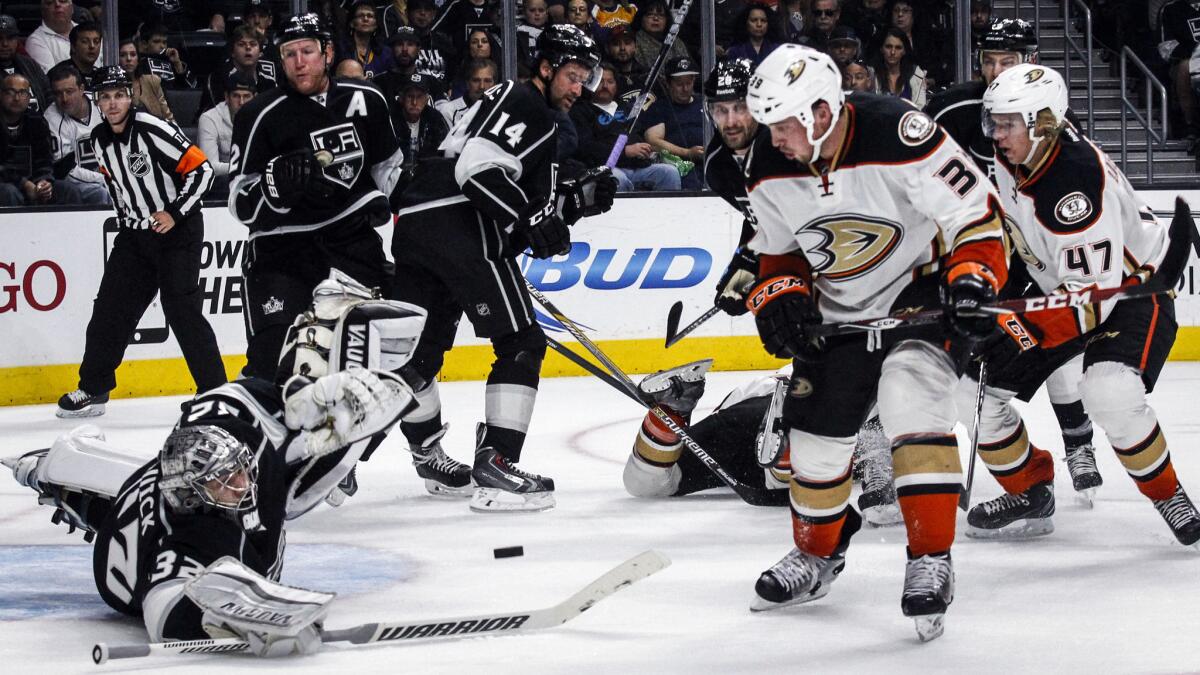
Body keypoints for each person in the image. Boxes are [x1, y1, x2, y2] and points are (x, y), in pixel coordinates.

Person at [742, 45, 1008, 640]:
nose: (774, 135)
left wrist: (971, 279)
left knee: (911, 406)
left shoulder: (900, 132)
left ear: (819, 111)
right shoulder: (769, 159)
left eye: (785, 123)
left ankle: (931, 558)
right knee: (812, 445)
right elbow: (779, 248)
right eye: (771, 124)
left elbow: (976, 217)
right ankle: (817, 556)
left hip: (923, 298)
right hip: (840, 313)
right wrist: (780, 295)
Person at [4, 277, 425, 651]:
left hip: (140, 500)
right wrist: (239, 620)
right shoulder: (195, 535)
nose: (241, 482)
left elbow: (205, 438)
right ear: (196, 494)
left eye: (238, 471)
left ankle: (45, 471)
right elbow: (166, 613)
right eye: (228, 480)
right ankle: (51, 474)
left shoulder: (202, 484)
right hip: (145, 520)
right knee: (101, 480)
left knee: (70, 470)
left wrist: (295, 405)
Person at [962, 63, 1200, 548]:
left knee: (1109, 391)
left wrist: (1009, 323)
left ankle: (1167, 493)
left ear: (1043, 123)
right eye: (995, 121)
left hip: (1131, 290)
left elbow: (1087, 306)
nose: (995, 133)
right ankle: (1030, 491)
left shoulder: (1073, 190)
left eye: (1007, 123)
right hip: (1065, 286)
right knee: (971, 393)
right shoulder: (1018, 151)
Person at [391, 25, 616, 513]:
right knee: (522, 342)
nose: (579, 89)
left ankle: (419, 454)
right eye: (573, 77)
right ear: (546, 67)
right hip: (463, 228)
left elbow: (528, 197)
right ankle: (496, 464)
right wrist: (533, 217)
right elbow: (477, 171)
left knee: (417, 357)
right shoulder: (526, 102)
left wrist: (579, 199)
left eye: (585, 80)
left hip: (418, 224)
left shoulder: (525, 111)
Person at [924, 19, 1102, 505]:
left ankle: (1078, 441)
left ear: (1032, 62)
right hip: (968, 255)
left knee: (1060, 355)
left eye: (1008, 62)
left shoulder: (1052, 120)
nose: (995, 71)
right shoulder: (952, 108)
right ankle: (934, 458)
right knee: (949, 361)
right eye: (988, 61)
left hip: (1031, 256)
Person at [57, 66, 225, 418]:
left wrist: (175, 213)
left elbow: (203, 170)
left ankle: (214, 393)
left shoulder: (152, 128)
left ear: (130, 96)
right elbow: (117, 185)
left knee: (181, 310)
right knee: (109, 311)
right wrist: (127, 222)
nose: (113, 102)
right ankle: (94, 387)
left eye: (119, 94)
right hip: (135, 237)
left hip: (178, 233)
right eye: (105, 97)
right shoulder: (99, 139)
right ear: (97, 102)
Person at [570, 62, 681, 192]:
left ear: (617, 85)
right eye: (600, 81)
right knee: (617, 180)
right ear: (590, 84)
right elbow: (586, 148)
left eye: (610, 81)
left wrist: (643, 150)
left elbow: (638, 136)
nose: (605, 86)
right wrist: (624, 151)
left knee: (669, 173)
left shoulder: (628, 108)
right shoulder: (580, 111)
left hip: (637, 167)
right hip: (605, 168)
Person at [43, 64, 111, 205]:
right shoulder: (52, 119)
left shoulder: (102, 104)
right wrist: (105, 179)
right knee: (101, 193)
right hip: (78, 183)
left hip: (109, 172)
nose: (64, 98)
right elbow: (65, 171)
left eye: (69, 91)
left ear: (81, 89)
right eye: (58, 93)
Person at [640, 57, 706, 190]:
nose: (685, 88)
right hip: (679, 165)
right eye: (679, 84)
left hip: (709, 161)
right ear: (668, 83)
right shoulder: (659, 108)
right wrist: (687, 152)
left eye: (689, 83)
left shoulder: (705, 103)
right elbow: (653, 141)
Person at [199, 24, 277, 118]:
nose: (248, 47)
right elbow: (212, 114)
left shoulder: (268, 80)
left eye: (253, 44)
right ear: (232, 52)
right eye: (241, 44)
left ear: (260, 53)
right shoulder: (218, 78)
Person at [198, 72, 256, 191]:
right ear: (226, 97)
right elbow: (210, 166)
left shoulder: (262, 118)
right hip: (222, 183)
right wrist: (245, 169)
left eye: (246, 96)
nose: (241, 102)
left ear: (255, 97)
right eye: (236, 96)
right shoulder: (209, 119)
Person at [392, 71, 448, 172]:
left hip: (427, 176)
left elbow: (443, 153)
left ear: (427, 99)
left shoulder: (434, 118)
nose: (414, 102)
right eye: (410, 96)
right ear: (401, 98)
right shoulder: (390, 119)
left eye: (419, 97)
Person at [26, 0, 88, 75]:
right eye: (50, 2)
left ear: (72, 8)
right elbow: (52, 79)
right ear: (43, 11)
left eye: (63, 1)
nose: (57, 5)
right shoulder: (35, 40)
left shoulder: (87, 32)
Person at [117, 39, 173, 121]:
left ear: (138, 60)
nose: (128, 59)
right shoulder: (112, 87)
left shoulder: (153, 81)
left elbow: (168, 117)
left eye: (133, 54)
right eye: (123, 55)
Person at [871, 28, 927, 108]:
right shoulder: (871, 74)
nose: (893, 52)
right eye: (888, 47)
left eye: (898, 48)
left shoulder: (916, 74)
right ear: (881, 49)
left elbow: (919, 109)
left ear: (904, 51)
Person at [633, 0, 691, 76]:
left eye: (661, 15)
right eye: (650, 14)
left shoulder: (675, 41)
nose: (656, 18)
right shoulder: (634, 42)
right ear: (641, 18)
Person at [433, 57, 495, 127]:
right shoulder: (448, 112)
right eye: (476, 80)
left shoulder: (502, 110)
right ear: (467, 83)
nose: (482, 86)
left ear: (495, 84)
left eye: (487, 81)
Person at [338, 2, 393, 79]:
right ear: (352, 23)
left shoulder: (385, 53)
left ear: (376, 25)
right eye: (361, 15)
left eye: (370, 16)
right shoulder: (340, 48)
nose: (365, 19)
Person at [137, 24, 198, 90]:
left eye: (164, 42)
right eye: (156, 42)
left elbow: (192, 88)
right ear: (144, 44)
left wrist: (177, 63)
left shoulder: (171, 61)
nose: (162, 46)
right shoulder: (137, 63)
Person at [726, 3, 784, 69]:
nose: (759, 24)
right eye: (754, 20)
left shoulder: (777, 50)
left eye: (763, 21)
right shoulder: (735, 51)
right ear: (746, 23)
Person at [51, 21, 102, 89]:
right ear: (73, 46)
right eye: (85, 41)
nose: (92, 46)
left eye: (96, 41)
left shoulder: (101, 76)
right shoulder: (59, 74)